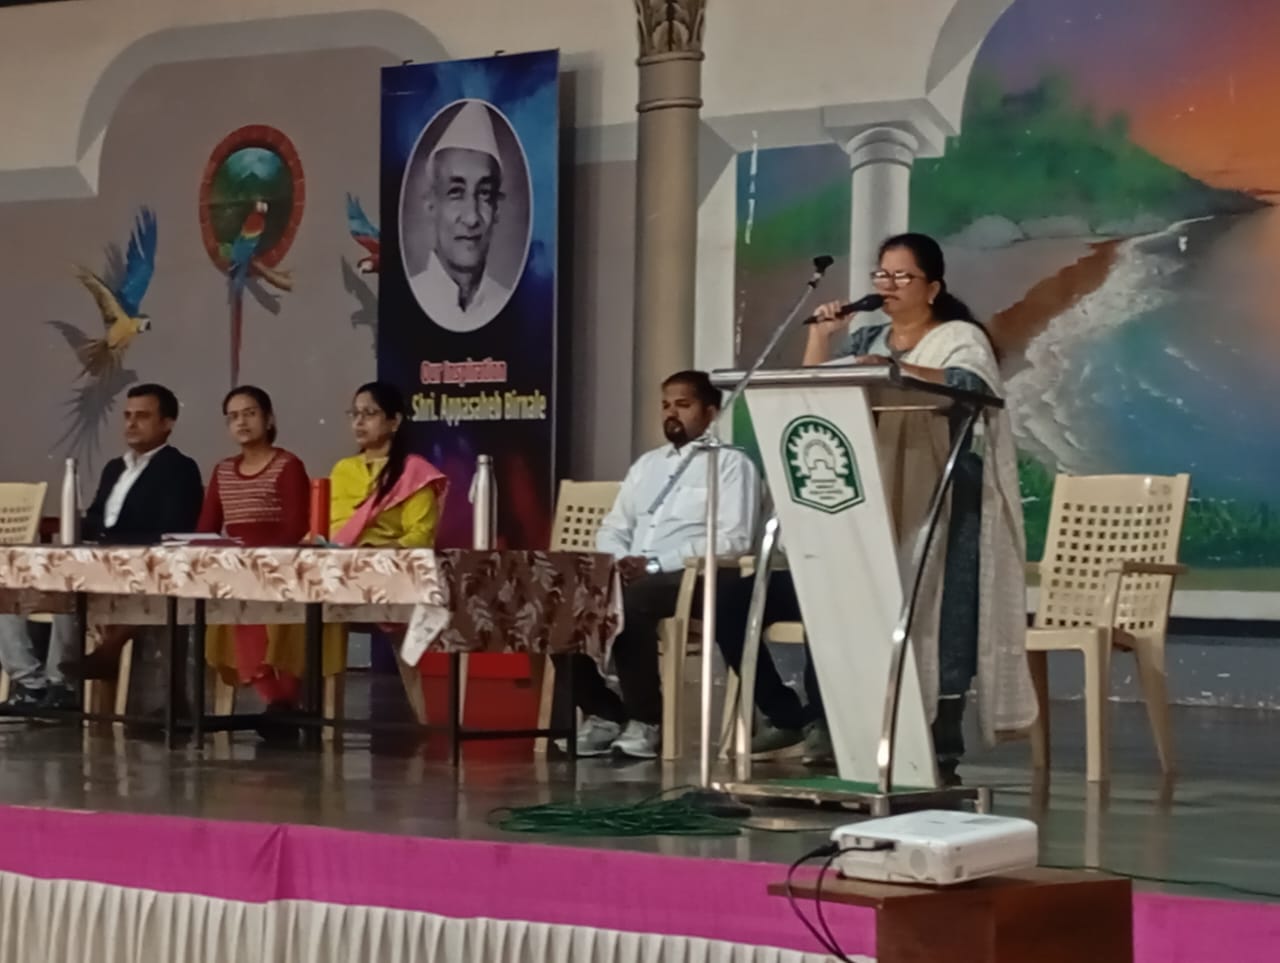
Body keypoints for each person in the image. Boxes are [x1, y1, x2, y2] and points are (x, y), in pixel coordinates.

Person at [805, 232, 1037, 784]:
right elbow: (815, 391)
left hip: (947, 494)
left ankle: (940, 739)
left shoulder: (959, 337)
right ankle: (861, 734)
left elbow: (969, 385)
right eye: (881, 275)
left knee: (942, 615)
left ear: (932, 287)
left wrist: (891, 370)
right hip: (877, 493)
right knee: (872, 608)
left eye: (901, 276)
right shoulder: (868, 337)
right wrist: (821, 337)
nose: (887, 285)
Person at [557, 370, 761, 760]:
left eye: (683, 405)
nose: (671, 413)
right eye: (666, 405)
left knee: (632, 602)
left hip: (699, 577)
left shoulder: (732, 465)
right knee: (560, 601)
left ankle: (647, 720)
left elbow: (733, 539)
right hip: (635, 574)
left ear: (711, 412)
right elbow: (614, 526)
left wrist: (653, 563)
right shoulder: (646, 466)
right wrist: (620, 561)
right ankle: (605, 712)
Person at [58, 384, 205, 714]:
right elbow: (97, 518)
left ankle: (106, 654)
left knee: (149, 590)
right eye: (127, 416)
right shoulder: (115, 468)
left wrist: (117, 542)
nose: (131, 424)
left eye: (142, 416)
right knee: (53, 587)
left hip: (147, 566)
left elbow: (174, 527)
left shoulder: (179, 468)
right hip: (104, 564)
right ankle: (52, 684)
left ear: (167, 423)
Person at [197, 386, 311, 731]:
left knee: (271, 609)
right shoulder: (222, 470)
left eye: (250, 413)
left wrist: (264, 563)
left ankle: (281, 702)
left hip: (282, 568)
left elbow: (296, 526)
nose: (241, 422)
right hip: (237, 572)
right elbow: (206, 529)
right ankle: (276, 703)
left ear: (269, 419)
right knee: (235, 604)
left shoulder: (288, 465)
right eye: (233, 417)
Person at [406, 100, 512, 333]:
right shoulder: (405, 303)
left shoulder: (511, 306)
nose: (472, 218)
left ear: (497, 209)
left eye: (484, 194)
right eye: (455, 192)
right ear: (431, 204)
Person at [713, 570, 832, 765]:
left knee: (823, 596)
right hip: (804, 571)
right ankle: (786, 717)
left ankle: (823, 721)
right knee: (729, 601)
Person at [329, 382, 448, 548]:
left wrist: (382, 552)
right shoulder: (343, 469)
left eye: (369, 413)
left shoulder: (414, 472)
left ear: (394, 422)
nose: (359, 422)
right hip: (334, 558)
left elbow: (421, 535)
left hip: (386, 559)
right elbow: (322, 527)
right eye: (355, 414)